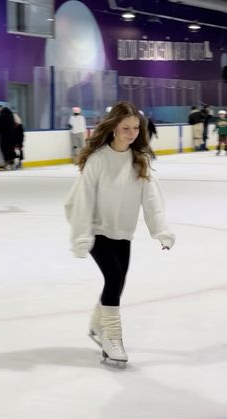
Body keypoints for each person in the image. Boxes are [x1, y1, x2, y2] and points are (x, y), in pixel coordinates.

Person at [65, 101, 175, 364]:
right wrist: (82, 236)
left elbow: (152, 201)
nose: (132, 132)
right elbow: (82, 199)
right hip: (96, 230)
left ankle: (97, 322)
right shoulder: (98, 160)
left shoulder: (140, 161)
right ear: (113, 127)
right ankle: (112, 338)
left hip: (123, 232)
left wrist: (161, 230)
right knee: (114, 277)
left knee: (117, 282)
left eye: (136, 127)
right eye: (126, 127)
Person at [0, 105, 16, 170]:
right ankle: (12, 164)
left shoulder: (2, 115)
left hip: (4, 136)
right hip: (12, 135)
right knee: (10, 149)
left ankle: (7, 164)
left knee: (5, 149)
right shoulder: (10, 114)